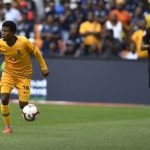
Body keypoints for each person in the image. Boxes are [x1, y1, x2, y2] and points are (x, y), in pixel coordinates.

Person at [0, 20, 49, 133]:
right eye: (2, 30)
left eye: (5, 31)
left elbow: (36, 52)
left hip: (24, 76)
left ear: (13, 33)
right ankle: (8, 127)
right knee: (4, 99)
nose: (2, 33)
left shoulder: (23, 42)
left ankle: (33, 110)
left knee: (23, 106)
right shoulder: (1, 43)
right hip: (8, 74)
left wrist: (44, 67)